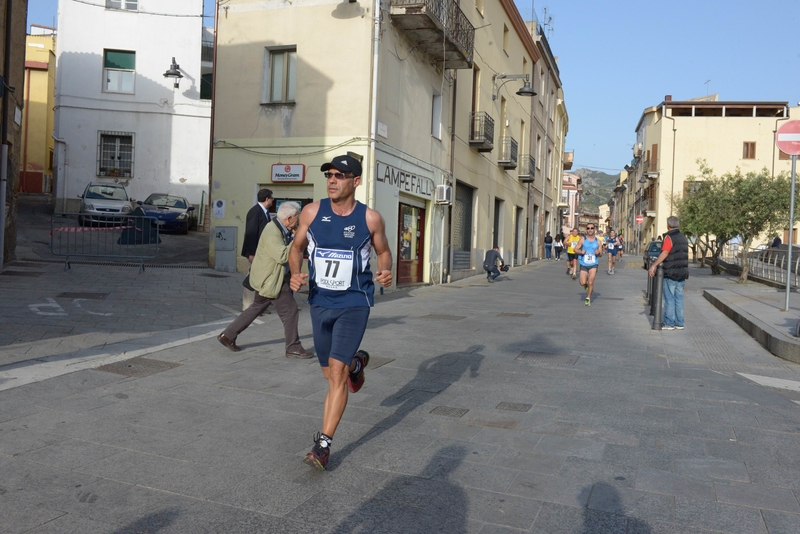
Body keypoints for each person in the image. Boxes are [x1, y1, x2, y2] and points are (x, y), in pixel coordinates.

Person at [289, 155, 392, 470]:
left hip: (354, 302)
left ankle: (323, 444)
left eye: (340, 175)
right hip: (320, 302)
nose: (332, 180)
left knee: (336, 374)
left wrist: (385, 270)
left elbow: (384, 251)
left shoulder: (370, 219)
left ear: (356, 181)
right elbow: (296, 249)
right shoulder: (311, 212)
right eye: (329, 175)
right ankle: (356, 364)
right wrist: (295, 273)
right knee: (330, 373)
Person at [217, 202, 314, 358]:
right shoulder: (272, 232)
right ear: (289, 218)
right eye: (298, 217)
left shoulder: (280, 228)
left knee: (257, 307)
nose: (299, 220)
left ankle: (228, 335)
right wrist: (298, 238)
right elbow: (282, 255)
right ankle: (293, 347)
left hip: (270, 277)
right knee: (290, 311)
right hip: (272, 280)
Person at [648, 215, 688, 330]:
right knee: (679, 298)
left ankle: (669, 323)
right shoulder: (683, 237)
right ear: (678, 225)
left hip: (670, 272)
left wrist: (654, 266)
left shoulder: (669, 238)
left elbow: (665, 252)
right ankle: (680, 323)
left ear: (667, 225)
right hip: (682, 272)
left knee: (669, 298)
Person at [242, 188, 274, 312]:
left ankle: (258, 306)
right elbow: (251, 233)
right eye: (271, 198)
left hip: (261, 253)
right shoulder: (255, 212)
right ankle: (248, 306)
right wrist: (251, 253)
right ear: (267, 199)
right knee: (251, 279)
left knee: (259, 278)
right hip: (255, 253)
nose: (272, 200)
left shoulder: (264, 212)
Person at [576, 223, 602, 305]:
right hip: (584, 264)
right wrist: (581, 251)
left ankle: (588, 298)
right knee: (582, 283)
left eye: (591, 228)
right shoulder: (582, 239)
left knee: (591, 282)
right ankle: (586, 285)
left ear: (594, 229)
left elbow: (601, 254)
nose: (590, 230)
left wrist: (598, 252)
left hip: (593, 264)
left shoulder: (598, 241)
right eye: (588, 228)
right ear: (586, 229)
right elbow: (575, 249)